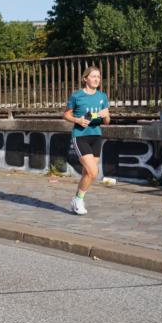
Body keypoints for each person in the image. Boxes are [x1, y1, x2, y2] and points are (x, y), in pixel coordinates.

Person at [65, 65, 110, 215]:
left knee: (87, 173)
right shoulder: (77, 96)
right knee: (93, 172)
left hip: (96, 136)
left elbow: (107, 121)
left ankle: (77, 199)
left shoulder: (102, 97)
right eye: (93, 76)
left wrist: (105, 115)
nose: (97, 79)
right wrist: (77, 120)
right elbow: (66, 115)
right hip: (80, 136)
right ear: (85, 79)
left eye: (98, 76)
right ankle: (78, 200)